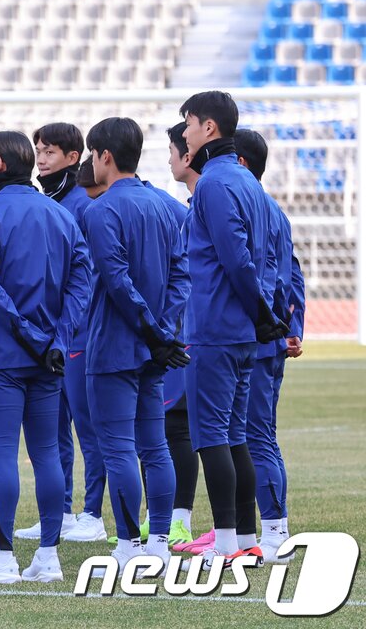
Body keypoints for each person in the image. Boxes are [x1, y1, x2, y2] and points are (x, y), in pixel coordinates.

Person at [0, 131, 92, 585]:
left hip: (2, 354)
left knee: (0, 456)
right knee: (47, 454)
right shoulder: (59, 213)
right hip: (50, 356)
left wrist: (29, 333)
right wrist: (57, 336)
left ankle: (2, 557)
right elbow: (82, 280)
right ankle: (49, 556)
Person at [179, 90, 284, 565]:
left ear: (208, 128)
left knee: (212, 437)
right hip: (240, 332)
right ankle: (246, 540)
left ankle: (224, 545)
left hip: (217, 329)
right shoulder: (248, 182)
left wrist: (261, 313)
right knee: (235, 435)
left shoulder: (214, 184)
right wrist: (261, 316)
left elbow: (236, 258)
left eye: (188, 123)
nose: (184, 132)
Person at [82, 117, 190, 576]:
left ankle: (128, 544)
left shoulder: (101, 211)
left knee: (118, 448)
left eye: (92, 155)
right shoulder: (164, 206)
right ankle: (160, 543)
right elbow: (183, 275)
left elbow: (116, 279)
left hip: (114, 346)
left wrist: (151, 330)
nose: (91, 163)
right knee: (154, 446)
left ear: (104, 156)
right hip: (154, 349)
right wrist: (164, 332)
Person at [19, 122, 105, 544]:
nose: (41, 158)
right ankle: (62, 510)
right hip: (48, 335)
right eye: (38, 150)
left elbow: (90, 275)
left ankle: (93, 513)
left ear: (74, 158)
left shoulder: (83, 205)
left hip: (82, 333)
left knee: (89, 426)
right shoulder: (41, 202)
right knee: (52, 428)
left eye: (50, 151)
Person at [233, 128, 305, 564]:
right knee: (254, 436)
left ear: (239, 162)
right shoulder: (272, 209)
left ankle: (276, 531)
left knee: (256, 436)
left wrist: (274, 325)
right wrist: (294, 325)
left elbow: (277, 276)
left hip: (256, 342)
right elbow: (293, 274)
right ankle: (257, 527)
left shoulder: (254, 208)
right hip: (266, 338)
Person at [163, 123, 201, 552]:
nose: (171, 158)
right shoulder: (188, 208)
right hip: (191, 331)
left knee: (181, 426)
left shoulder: (206, 205)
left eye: (174, 150)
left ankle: (240, 532)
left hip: (200, 334)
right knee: (174, 425)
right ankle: (172, 521)